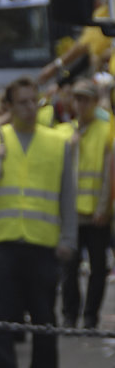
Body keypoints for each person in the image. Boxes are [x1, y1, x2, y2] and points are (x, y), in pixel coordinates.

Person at [0, 76, 77, 368]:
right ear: (9, 107)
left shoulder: (58, 142)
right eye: (24, 102)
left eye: (35, 101)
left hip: (42, 245)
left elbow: (67, 196)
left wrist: (68, 238)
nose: (31, 108)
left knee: (44, 318)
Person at [60, 78, 113, 329]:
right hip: (70, 214)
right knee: (68, 268)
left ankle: (90, 315)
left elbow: (108, 174)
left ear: (94, 102)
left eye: (85, 99)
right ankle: (70, 314)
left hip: (95, 214)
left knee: (98, 267)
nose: (80, 104)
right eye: (77, 98)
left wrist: (104, 208)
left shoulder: (106, 131)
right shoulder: (64, 132)